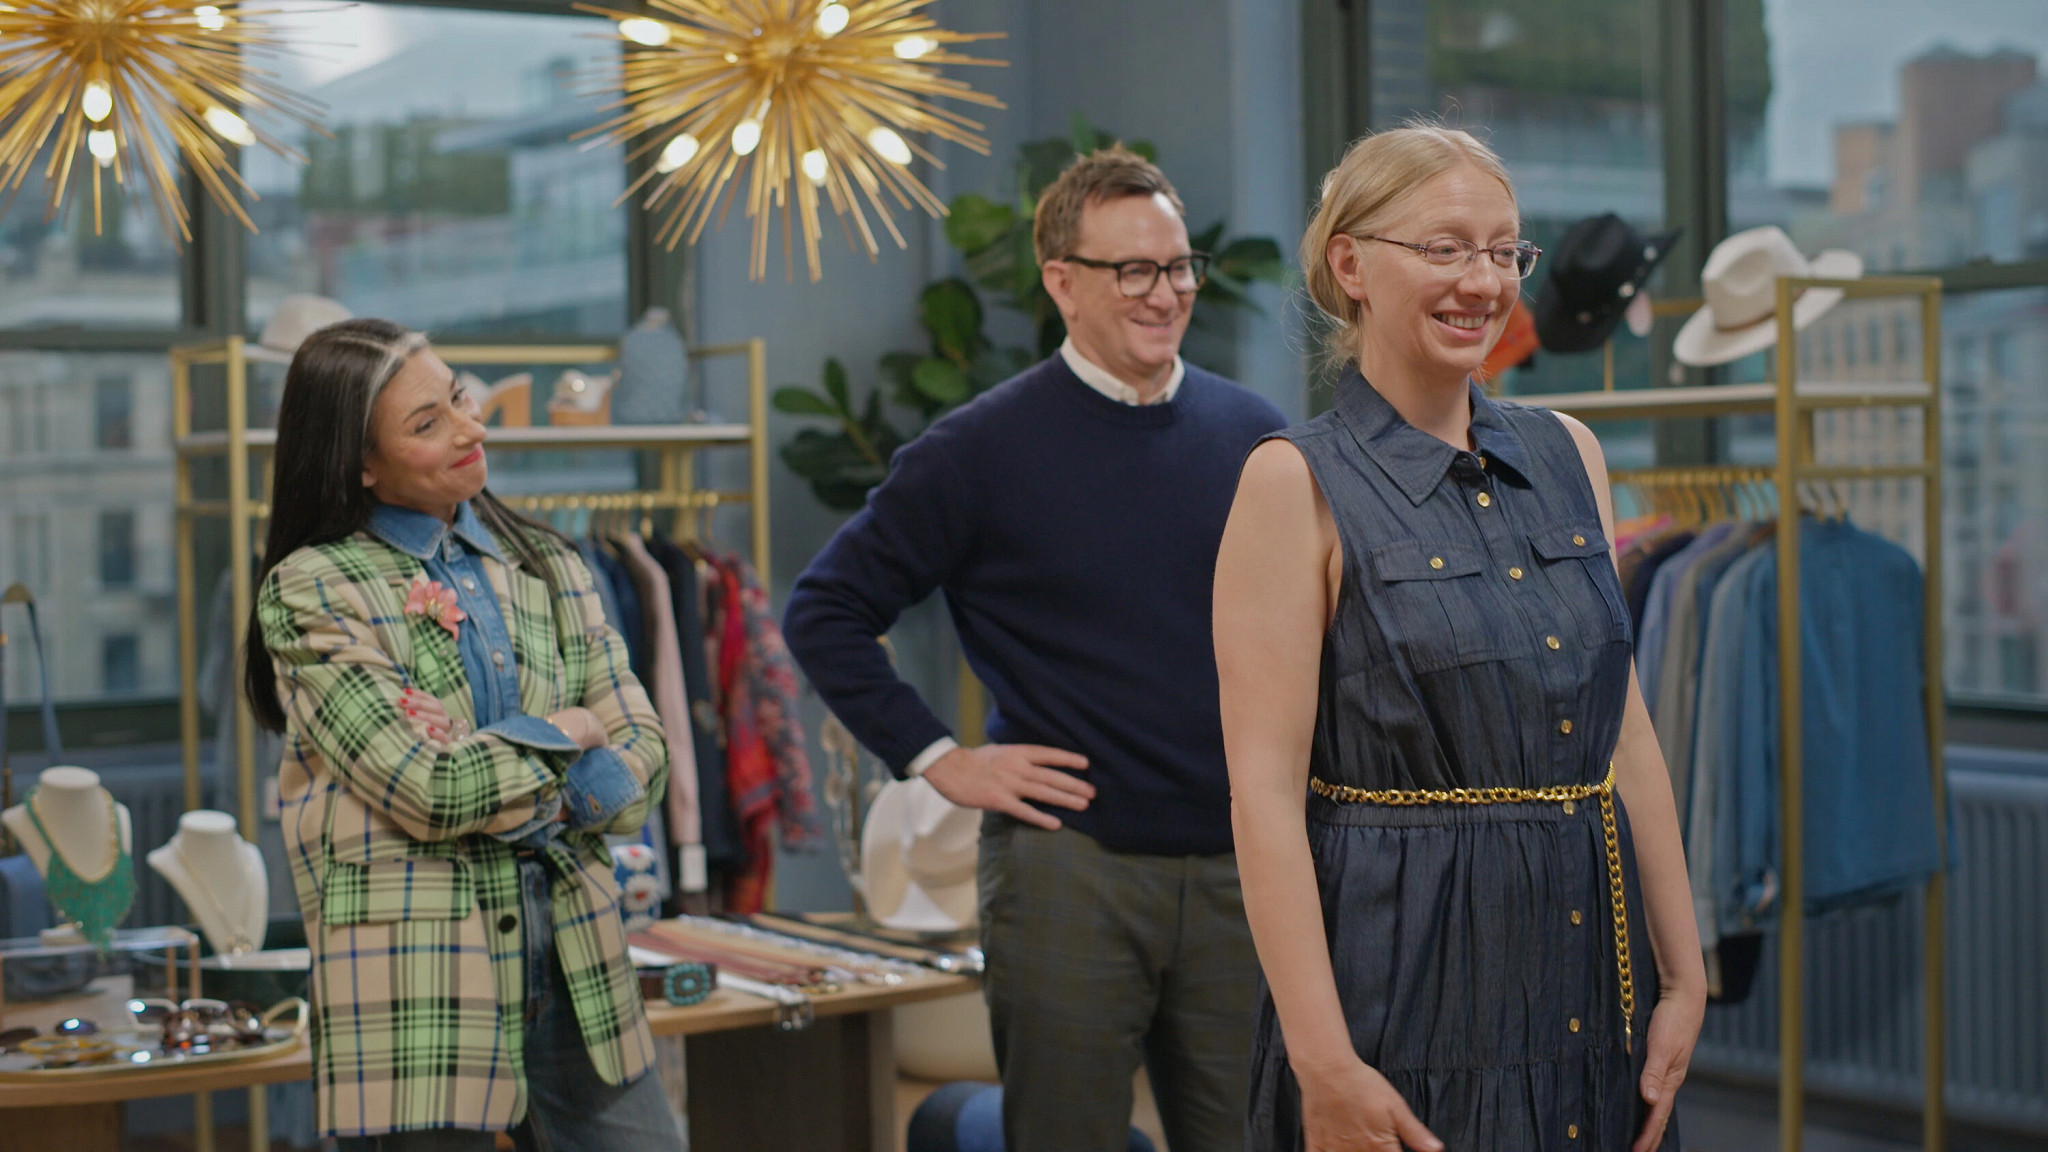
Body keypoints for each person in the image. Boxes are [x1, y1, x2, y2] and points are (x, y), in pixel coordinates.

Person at [1214, 126, 1707, 1152]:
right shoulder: (1289, 482)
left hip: (1580, 979)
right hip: (1396, 992)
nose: (1479, 281)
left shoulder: (1568, 451)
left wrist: (1682, 971)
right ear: (1347, 263)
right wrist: (1322, 1062)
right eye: (1442, 247)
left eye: (1501, 251)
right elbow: (1261, 797)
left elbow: (1623, 736)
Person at [785, 147, 1287, 1152]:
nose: (1166, 293)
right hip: (1072, 863)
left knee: (1253, 1139)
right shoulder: (975, 450)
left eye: (1179, 266)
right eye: (1132, 271)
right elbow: (824, 608)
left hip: (1244, 864)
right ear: (1061, 280)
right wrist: (939, 760)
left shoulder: (1257, 435)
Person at [244, 319, 681, 1152]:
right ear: (360, 464)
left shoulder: (550, 564)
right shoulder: (313, 589)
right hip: (418, 984)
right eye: (427, 424)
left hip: (581, 964)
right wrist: (569, 732)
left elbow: (646, 763)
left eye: (459, 398)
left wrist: (522, 776)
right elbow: (431, 789)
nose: (469, 429)